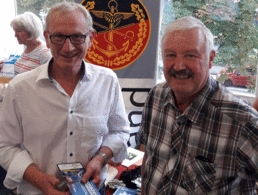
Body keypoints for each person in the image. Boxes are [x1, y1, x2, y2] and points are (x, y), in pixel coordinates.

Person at [0, 2, 130, 195]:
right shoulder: (20, 88)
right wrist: (40, 180)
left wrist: (101, 157)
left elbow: (119, 131)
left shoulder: (107, 81)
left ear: (91, 37)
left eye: (77, 37)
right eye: (59, 37)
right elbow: (5, 145)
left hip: (92, 189)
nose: (68, 48)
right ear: (47, 37)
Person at [137, 16, 258, 194]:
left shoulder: (241, 121)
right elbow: (149, 158)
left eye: (190, 56)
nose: (178, 66)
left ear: (210, 59)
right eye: (170, 55)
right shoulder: (155, 96)